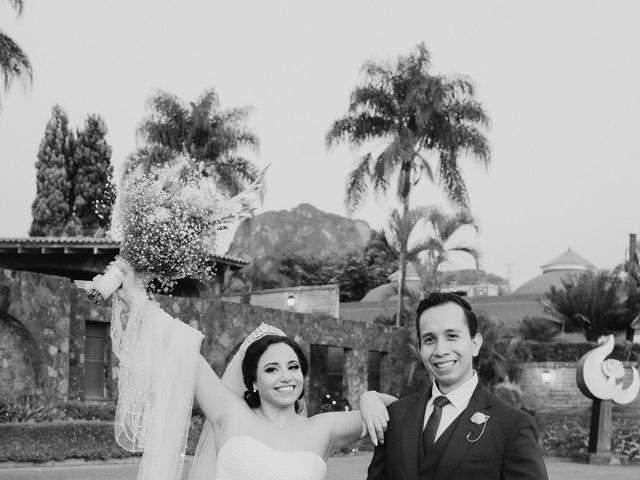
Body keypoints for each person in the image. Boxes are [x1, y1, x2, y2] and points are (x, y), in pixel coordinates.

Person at [112, 259, 393, 480]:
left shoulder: (324, 428)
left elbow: (405, 410)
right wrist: (136, 298)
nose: (286, 377)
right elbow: (180, 345)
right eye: (272, 369)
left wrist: (372, 397)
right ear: (254, 382)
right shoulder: (229, 413)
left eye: (292, 367)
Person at [366, 292, 548, 480]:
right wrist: (368, 396)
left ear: (475, 344)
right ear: (420, 350)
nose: (441, 350)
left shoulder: (512, 425)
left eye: (452, 336)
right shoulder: (396, 416)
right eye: (429, 340)